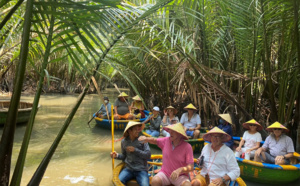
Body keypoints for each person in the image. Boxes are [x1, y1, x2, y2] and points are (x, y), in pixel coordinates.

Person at [110, 121, 151, 186]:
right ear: (129, 131)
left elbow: (148, 155)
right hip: (129, 169)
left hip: (141, 169)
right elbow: (124, 156)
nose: (138, 131)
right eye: (135, 129)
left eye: (138, 129)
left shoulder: (143, 140)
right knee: (117, 183)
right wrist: (116, 155)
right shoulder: (124, 141)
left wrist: (135, 150)